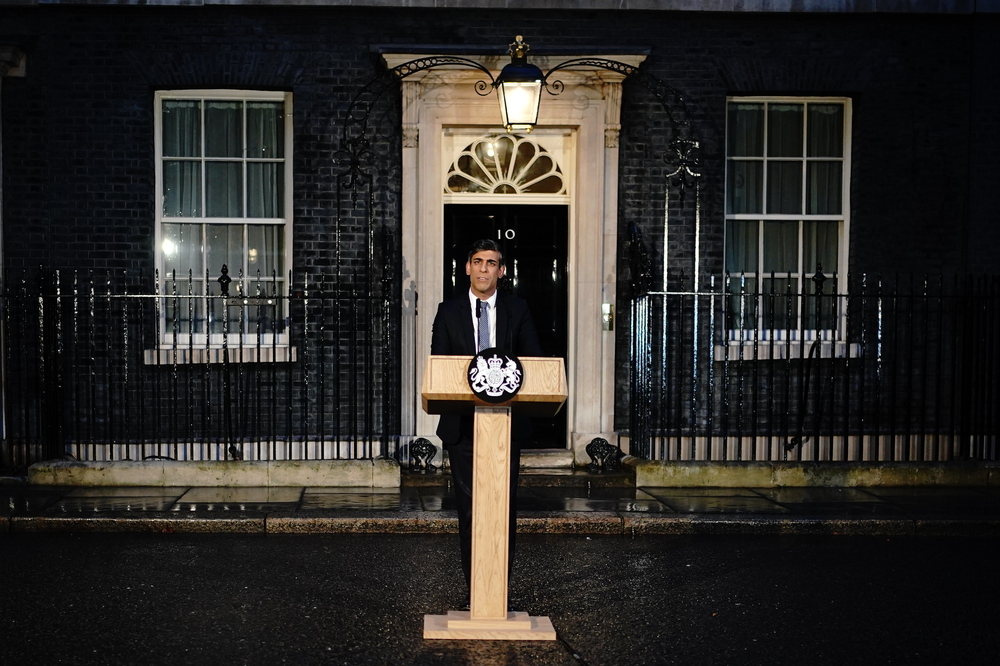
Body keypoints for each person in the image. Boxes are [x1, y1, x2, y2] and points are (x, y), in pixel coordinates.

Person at [430, 238, 543, 599]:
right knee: (469, 513)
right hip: (462, 427)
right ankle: (475, 591)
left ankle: (499, 592)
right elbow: (440, 366)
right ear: (467, 268)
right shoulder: (447, 312)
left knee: (501, 513)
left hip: (505, 425)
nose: (483, 269)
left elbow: (535, 362)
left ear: (502, 270)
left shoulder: (518, 309)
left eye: (491, 263)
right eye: (477, 262)